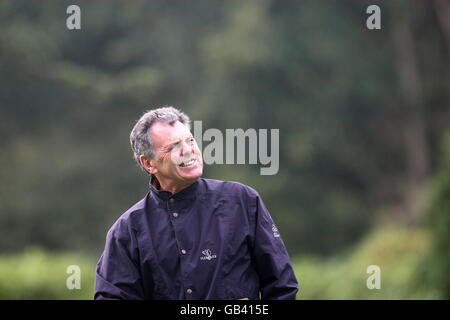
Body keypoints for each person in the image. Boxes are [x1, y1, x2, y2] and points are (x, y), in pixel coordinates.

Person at [94, 106, 299, 300]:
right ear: (148, 163)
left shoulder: (242, 201)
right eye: (174, 147)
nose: (188, 151)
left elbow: (282, 286)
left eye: (190, 141)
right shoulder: (127, 231)